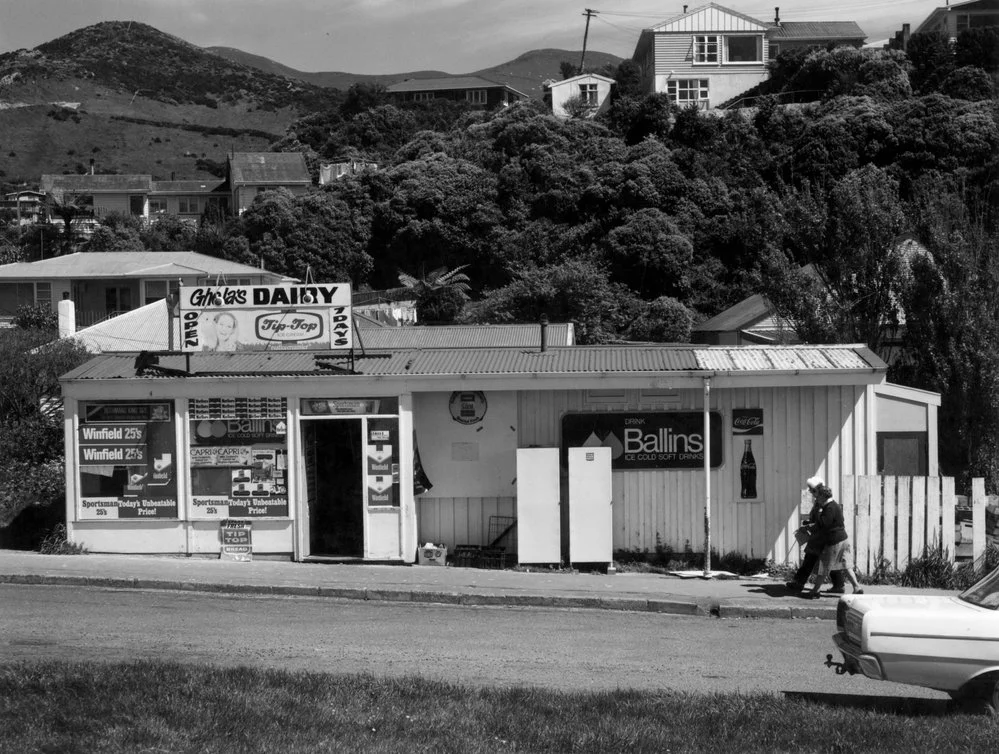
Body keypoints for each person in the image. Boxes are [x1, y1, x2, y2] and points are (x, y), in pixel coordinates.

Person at [800, 478, 863, 599]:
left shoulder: (828, 508)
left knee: (824, 566)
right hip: (843, 539)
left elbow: (824, 525)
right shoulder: (835, 505)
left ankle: (815, 591)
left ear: (823, 497)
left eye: (817, 497)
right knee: (846, 565)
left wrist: (809, 527)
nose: (816, 499)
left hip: (834, 541)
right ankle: (857, 587)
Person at [785, 476, 846, 594]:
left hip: (821, 537)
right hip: (821, 536)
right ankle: (839, 585)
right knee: (829, 562)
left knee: (811, 559)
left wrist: (809, 525)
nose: (810, 492)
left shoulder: (822, 502)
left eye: (812, 490)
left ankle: (799, 583)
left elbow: (822, 521)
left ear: (819, 489)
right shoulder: (821, 500)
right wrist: (809, 523)